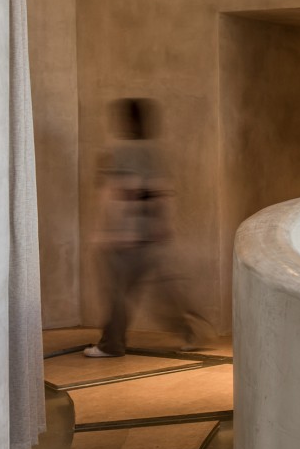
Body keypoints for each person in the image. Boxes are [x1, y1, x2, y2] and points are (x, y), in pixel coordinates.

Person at [84, 98, 207, 357]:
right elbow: (160, 191)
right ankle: (191, 329)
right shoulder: (154, 152)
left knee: (116, 293)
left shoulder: (120, 151)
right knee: (160, 293)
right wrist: (162, 225)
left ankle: (112, 344)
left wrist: (107, 232)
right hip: (148, 235)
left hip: (124, 236)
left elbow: (118, 192)